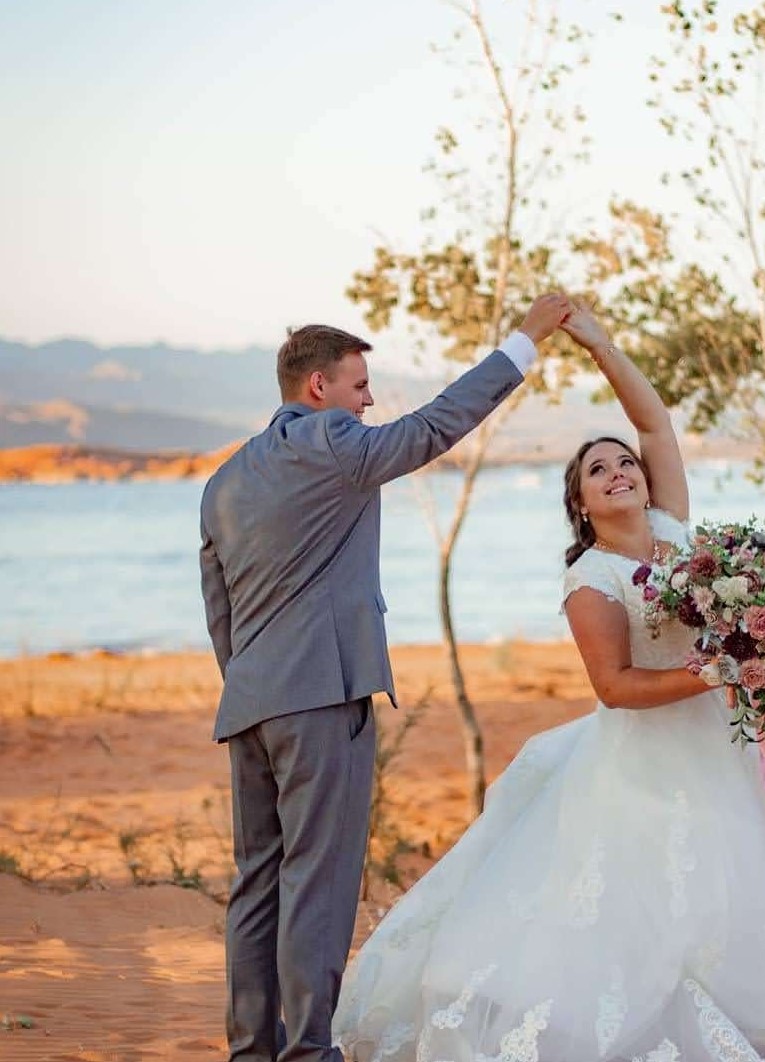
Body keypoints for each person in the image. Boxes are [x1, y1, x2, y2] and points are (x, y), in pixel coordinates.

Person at [331, 304, 765, 1062]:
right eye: (599, 469)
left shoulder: (676, 531)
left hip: (734, 741)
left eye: (622, 462)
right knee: (664, 909)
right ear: (582, 505)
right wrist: (714, 671)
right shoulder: (591, 580)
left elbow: (657, 427)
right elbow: (615, 687)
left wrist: (600, 345)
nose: (621, 470)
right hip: (647, 760)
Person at [198, 293, 572, 1062]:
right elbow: (436, 425)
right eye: (360, 384)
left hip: (251, 704)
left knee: (257, 883)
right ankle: (307, 1051)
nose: (370, 400)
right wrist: (524, 344)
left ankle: (249, 1052)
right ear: (318, 391)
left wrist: (251, 687)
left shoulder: (223, 483)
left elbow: (220, 613)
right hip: (319, 702)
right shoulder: (334, 442)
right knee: (319, 882)